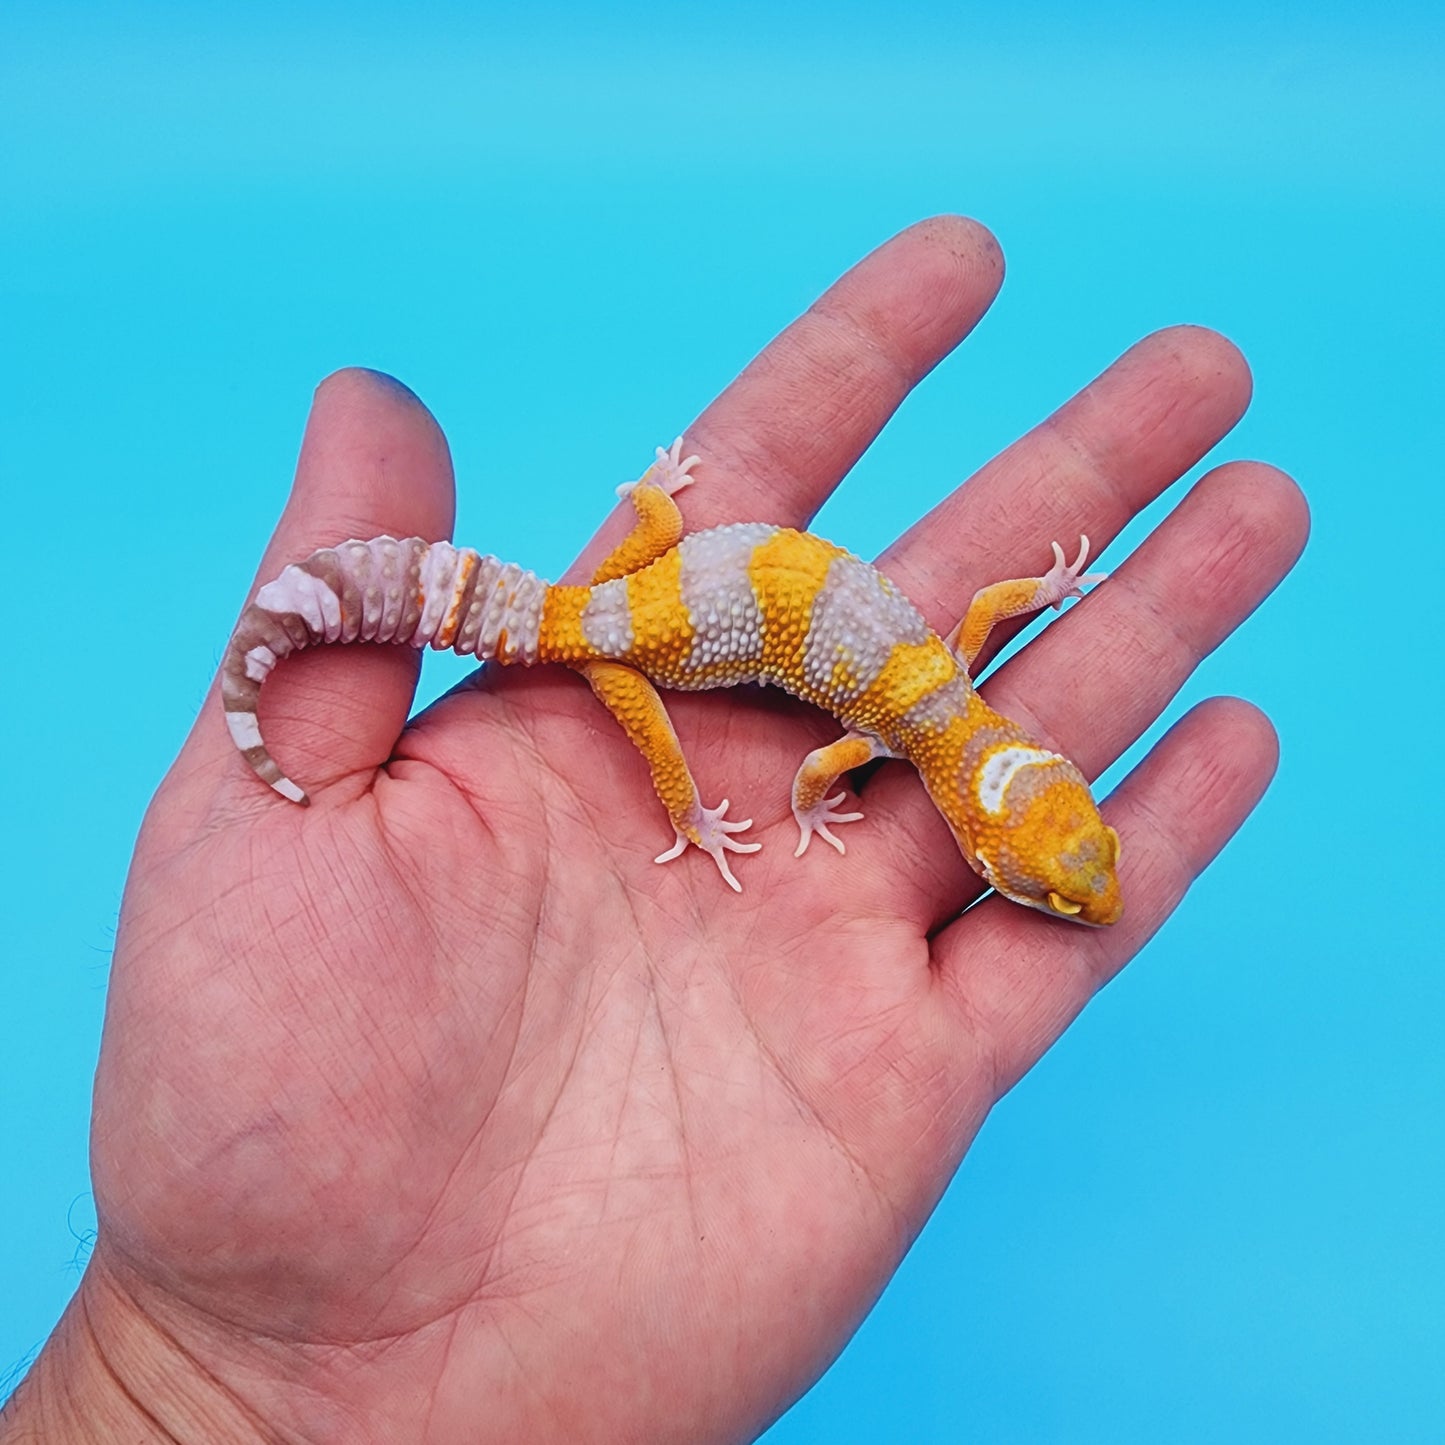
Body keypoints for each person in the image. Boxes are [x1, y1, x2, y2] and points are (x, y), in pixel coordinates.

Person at [0, 216, 1307, 1444]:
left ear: (1032, 789)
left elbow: (953, 642)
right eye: (1059, 884)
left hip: (659, 572)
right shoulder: (914, 729)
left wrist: (684, 520)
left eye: (1066, 880)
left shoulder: (939, 697)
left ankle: (620, 536)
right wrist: (740, 814)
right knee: (655, 746)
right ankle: (668, 805)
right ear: (984, 839)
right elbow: (833, 757)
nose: (1080, 895)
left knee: (612, 612)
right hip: (629, 646)